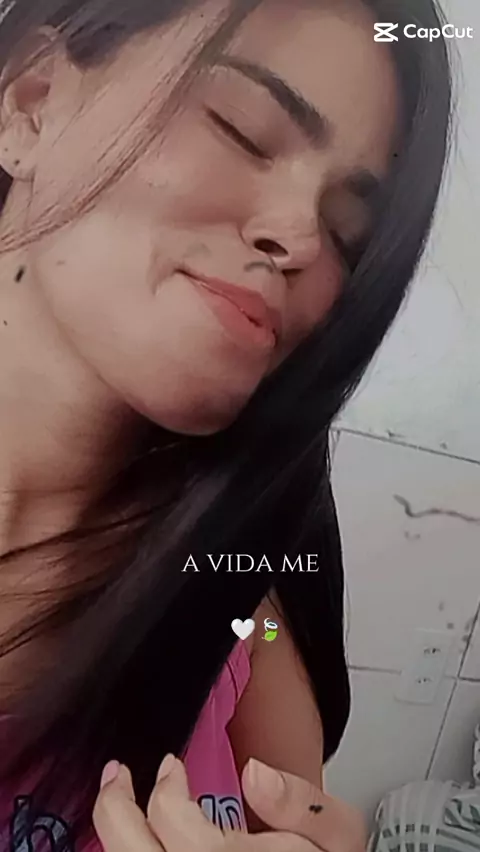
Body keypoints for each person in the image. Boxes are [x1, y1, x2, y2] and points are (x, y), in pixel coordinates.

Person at [0, 0, 451, 848]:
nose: (299, 240)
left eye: (347, 232)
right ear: (31, 103)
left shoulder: (248, 586)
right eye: (240, 128)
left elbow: (294, 808)